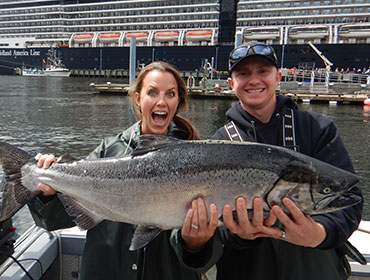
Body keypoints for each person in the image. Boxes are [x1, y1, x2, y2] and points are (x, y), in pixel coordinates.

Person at [171, 41, 363, 279]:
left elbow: (350, 199)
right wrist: (240, 234)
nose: (254, 80)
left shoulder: (317, 129)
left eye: (263, 71)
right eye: (243, 73)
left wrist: (319, 233)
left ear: (277, 77)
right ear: (231, 83)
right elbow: (218, 231)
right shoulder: (219, 144)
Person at [28, 61, 208, 280]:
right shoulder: (109, 150)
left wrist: (196, 243)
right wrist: (46, 193)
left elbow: (206, 256)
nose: (161, 101)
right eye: (152, 92)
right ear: (138, 98)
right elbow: (59, 219)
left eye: (170, 94)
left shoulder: (199, 156)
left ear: (178, 101)